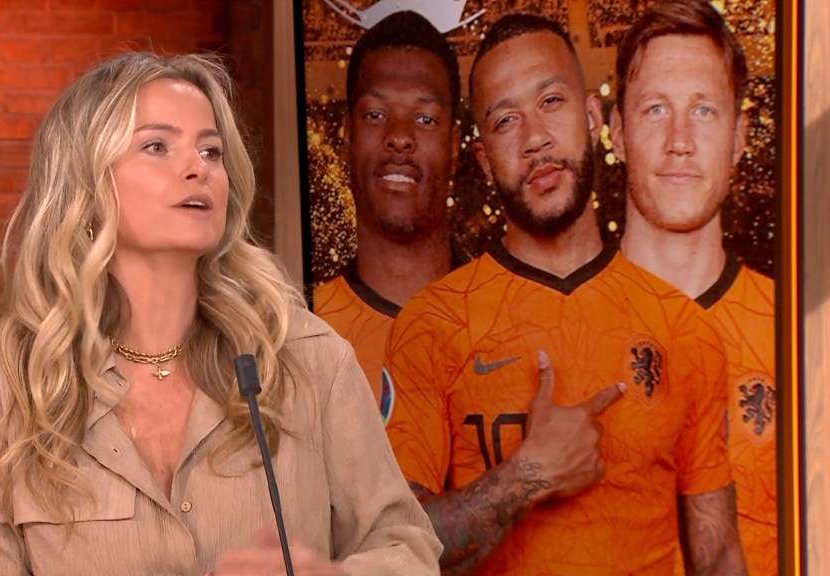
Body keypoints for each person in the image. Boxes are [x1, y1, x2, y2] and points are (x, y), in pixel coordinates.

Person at [0, 51, 442, 575]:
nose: (198, 167)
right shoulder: (2, 387)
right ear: (85, 182)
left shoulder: (306, 357)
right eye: (157, 146)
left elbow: (408, 548)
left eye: (211, 150)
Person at [381, 13, 746, 575]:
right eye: (506, 120)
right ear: (484, 161)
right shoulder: (432, 324)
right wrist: (529, 475)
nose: (536, 139)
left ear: (594, 118)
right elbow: (393, 549)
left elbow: (718, 557)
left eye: (551, 102)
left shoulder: (684, 328)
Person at [612, 1, 777, 573]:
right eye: (656, 109)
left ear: (739, 137)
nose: (679, 140)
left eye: (703, 110)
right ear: (617, 132)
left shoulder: (800, 336)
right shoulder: (552, 324)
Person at [313, 10, 468, 404]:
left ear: (454, 146)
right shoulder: (305, 332)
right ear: (348, 135)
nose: (399, 137)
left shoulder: (510, 311)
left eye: (425, 118)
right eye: (376, 115)